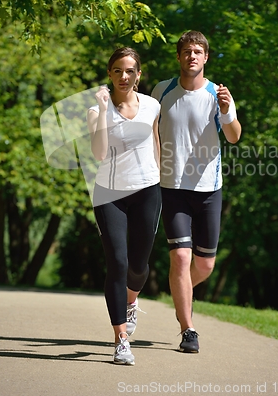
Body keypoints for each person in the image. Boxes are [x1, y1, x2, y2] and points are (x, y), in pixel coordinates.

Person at [152, 31, 241, 354]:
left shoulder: (217, 94)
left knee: (203, 267)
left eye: (198, 51)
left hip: (208, 190)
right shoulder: (162, 90)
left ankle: (180, 291)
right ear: (179, 57)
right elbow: (149, 133)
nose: (192, 56)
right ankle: (188, 329)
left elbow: (233, 137)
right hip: (172, 188)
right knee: (180, 257)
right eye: (187, 51)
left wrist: (228, 112)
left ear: (205, 58)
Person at [87, 47, 161, 366]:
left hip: (147, 190)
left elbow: (156, 143)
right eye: (117, 70)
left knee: (139, 266)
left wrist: (162, 183)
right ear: (109, 74)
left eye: (129, 70)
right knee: (118, 262)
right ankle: (121, 340)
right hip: (109, 194)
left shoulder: (153, 106)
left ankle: (132, 301)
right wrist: (103, 111)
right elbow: (99, 153)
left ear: (138, 75)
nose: (123, 76)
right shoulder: (96, 110)